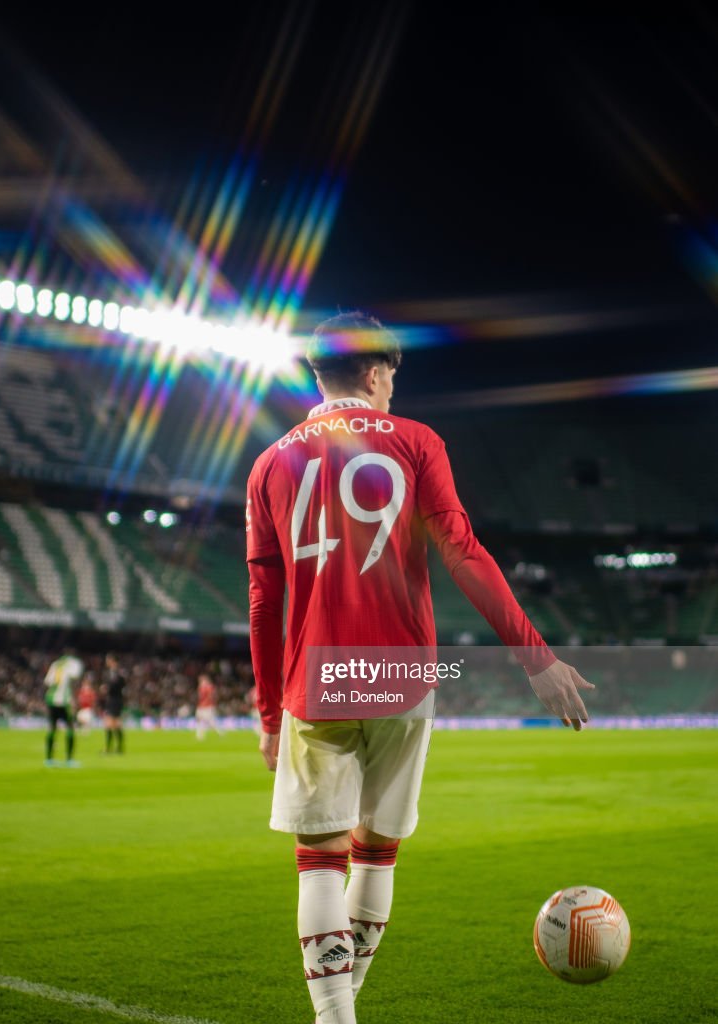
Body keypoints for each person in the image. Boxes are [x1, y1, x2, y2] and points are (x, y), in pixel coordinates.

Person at [245, 311, 594, 1024]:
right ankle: (343, 1010)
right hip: (401, 673)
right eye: (393, 375)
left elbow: (263, 597)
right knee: (376, 852)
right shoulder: (415, 442)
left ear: (319, 374)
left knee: (319, 857)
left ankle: (333, 1017)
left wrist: (269, 715)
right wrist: (536, 657)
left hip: (316, 676)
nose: (392, 388)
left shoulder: (270, 462)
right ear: (374, 373)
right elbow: (463, 552)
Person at [44, 650, 84, 766]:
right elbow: (75, 678)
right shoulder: (73, 664)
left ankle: (49, 759)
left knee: (52, 729)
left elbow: (47, 682)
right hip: (64, 700)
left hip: (51, 700)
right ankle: (69, 759)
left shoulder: (55, 664)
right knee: (70, 729)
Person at [101, 653, 126, 754]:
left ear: (113, 661)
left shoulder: (119, 673)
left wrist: (108, 688)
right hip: (111, 700)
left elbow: (121, 683)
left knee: (112, 724)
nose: (106, 662)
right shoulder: (109, 673)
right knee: (114, 724)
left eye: (108, 660)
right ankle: (118, 748)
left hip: (116, 700)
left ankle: (110, 749)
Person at [195, 670, 222, 740]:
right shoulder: (201, 687)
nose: (200, 680)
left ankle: (220, 732)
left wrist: (211, 702)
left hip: (208, 707)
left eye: (201, 679)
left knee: (210, 722)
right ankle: (199, 735)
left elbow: (212, 696)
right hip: (201, 706)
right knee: (199, 720)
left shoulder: (209, 687)